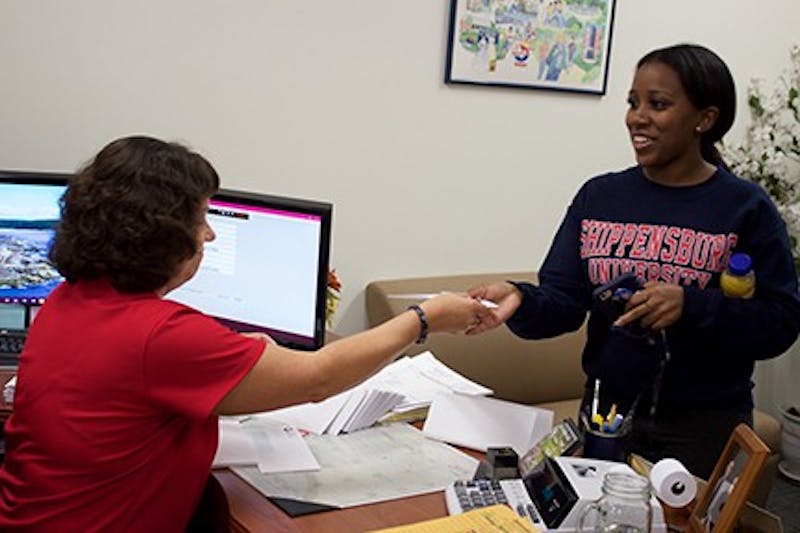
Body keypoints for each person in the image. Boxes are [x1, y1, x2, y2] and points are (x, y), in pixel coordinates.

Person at [0, 136, 490, 531]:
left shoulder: (68, 300)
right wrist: (425, 318)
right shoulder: (159, 337)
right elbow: (317, 378)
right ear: (161, 235)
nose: (209, 234)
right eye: (201, 219)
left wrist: (234, 359)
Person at [468, 43, 800, 479]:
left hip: (703, 428)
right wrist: (519, 299)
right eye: (633, 102)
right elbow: (563, 303)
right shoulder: (599, 197)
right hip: (607, 419)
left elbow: (780, 321)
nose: (637, 117)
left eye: (657, 104)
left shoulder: (745, 207)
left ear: (705, 118)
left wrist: (692, 305)